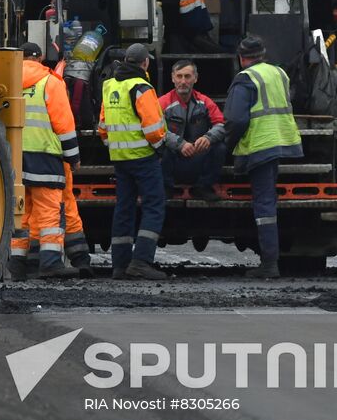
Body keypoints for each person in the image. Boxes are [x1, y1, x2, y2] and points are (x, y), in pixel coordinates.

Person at [222, 35, 303, 279]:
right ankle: (270, 261)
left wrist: (227, 147)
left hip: (260, 144)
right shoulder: (279, 73)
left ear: (240, 58)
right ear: (263, 55)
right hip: (281, 139)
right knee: (268, 201)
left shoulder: (245, 79)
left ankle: (269, 264)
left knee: (264, 205)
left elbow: (236, 119)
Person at [9, 42, 81, 280]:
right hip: (45, 158)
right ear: (39, 58)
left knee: (22, 213)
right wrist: (73, 158)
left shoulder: (7, 83)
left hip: (15, 160)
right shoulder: (51, 82)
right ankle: (50, 263)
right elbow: (65, 126)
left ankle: (17, 265)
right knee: (50, 212)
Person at [98, 43, 169, 280]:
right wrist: (160, 150)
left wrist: (114, 147)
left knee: (124, 209)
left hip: (120, 158)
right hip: (144, 157)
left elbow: (102, 126)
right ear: (145, 63)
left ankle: (120, 265)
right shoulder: (141, 87)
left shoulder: (110, 85)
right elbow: (153, 127)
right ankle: (141, 261)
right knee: (154, 207)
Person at [159, 60, 227, 200]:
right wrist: (179, 144)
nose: (183, 81)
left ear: (195, 78)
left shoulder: (205, 102)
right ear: (172, 78)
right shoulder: (162, 103)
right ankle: (166, 188)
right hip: (173, 159)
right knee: (159, 147)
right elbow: (154, 130)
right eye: (179, 76)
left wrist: (208, 137)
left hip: (198, 157)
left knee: (220, 147)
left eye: (187, 76)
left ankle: (203, 187)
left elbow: (221, 124)